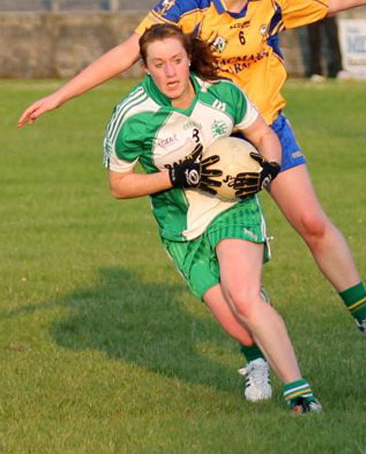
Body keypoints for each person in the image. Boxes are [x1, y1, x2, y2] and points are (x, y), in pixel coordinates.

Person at [18, 0, 366, 401]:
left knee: (310, 219)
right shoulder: (186, 6)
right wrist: (58, 96)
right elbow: (127, 52)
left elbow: (329, 0)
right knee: (230, 281)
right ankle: (257, 362)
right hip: (206, 141)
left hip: (264, 127)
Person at [104, 22, 321, 415]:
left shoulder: (222, 93)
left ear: (188, 58)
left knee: (243, 296)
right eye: (158, 64)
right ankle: (256, 357)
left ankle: (300, 394)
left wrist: (268, 168)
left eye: (176, 60)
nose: (170, 72)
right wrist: (176, 175)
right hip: (181, 227)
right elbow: (119, 185)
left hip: (232, 209)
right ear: (145, 67)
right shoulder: (133, 116)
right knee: (235, 320)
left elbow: (263, 134)